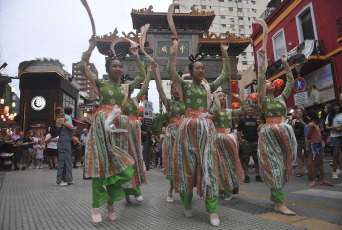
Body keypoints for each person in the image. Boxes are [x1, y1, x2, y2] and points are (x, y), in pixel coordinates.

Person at [79, 36, 146, 223]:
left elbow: (141, 76)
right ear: (108, 69)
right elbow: (82, 67)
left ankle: (110, 203)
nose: (118, 69)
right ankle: (95, 206)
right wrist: (90, 47)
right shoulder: (101, 84)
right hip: (102, 125)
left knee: (118, 167)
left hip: (119, 128)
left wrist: (136, 56)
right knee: (100, 166)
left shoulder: (125, 88)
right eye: (114, 66)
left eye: (120, 66)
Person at [169, 37, 230, 227]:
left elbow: (226, 73)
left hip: (206, 129)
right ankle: (187, 203)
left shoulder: (208, 87)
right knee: (188, 166)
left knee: (209, 166)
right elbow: (171, 72)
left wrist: (225, 52)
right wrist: (175, 49)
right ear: (190, 71)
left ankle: (212, 210)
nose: (202, 70)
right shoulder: (184, 86)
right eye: (198, 68)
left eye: (203, 68)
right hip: (188, 128)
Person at [257, 50, 296, 215]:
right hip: (269, 136)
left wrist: (286, 64)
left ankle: (275, 193)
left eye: (271, 81)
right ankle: (279, 204)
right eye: (267, 81)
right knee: (275, 168)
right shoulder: (262, 100)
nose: (270, 82)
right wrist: (262, 60)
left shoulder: (281, 98)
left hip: (284, 135)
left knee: (284, 168)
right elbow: (260, 80)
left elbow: (290, 82)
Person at [211, 92, 246, 201]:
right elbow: (216, 111)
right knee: (219, 165)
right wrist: (215, 99)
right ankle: (221, 189)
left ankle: (230, 188)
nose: (222, 97)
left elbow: (243, 109)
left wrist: (239, 98)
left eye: (223, 96)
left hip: (228, 138)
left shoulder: (229, 111)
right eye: (219, 96)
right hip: (217, 139)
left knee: (230, 163)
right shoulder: (213, 111)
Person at [306, 110, 333, 187]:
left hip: (319, 144)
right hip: (313, 145)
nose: (318, 116)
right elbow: (308, 137)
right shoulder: (311, 125)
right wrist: (307, 147)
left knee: (320, 162)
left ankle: (323, 179)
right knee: (315, 163)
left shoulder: (316, 124)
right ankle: (314, 180)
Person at [237, 105, 263, 183]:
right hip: (246, 142)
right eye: (248, 110)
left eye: (252, 110)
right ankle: (247, 175)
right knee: (246, 160)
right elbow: (238, 130)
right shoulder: (242, 120)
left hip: (256, 141)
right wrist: (240, 139)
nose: (250, 111)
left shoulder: (257, 120)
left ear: (254, 111)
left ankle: (258, 175)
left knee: (256, 159)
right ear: (246, 111)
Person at [55, 107, 77, 186]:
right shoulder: (60, 120)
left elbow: (72, 131)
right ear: (57, 114)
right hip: (63, 142)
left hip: (67, 142)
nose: (63, 113)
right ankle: (59, 180)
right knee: (61, 161)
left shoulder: (64, 120)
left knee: (68, 161)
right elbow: (72, 127)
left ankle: (68, 179)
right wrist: (73, 127)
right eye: (61, 112)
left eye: (63, 112)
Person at [289, 108, 309, 177]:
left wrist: (300, 120)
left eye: (300, 112)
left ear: (303, 112)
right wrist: (291, 118)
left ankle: (309, 170)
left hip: (305, 138)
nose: (299, 113)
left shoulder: (306, 119)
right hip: (297, 138)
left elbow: (306, 126)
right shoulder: (294, 120)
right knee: (299, 155)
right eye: (298, 112)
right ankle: (301, 171)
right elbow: (289, 126)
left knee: (307, 155)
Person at [325, 101, 342, 179]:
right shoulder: (329, 116)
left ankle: (340, 169)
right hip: (335, 136)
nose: (336, 107)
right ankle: (334, 171)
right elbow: (327, 127)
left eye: (337, 106)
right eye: (334, 106)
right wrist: (334, 127)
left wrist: (339, 126)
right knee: (335, 154)